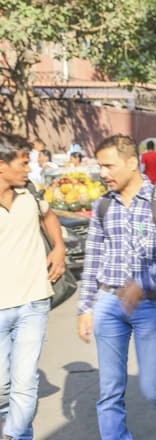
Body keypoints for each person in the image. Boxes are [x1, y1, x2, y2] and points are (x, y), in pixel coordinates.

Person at [76, 134, 156, 440]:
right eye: (100, 166)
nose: (102, 173)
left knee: (153, 387)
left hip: (151, 304)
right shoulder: (103, 205)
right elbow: (93, 257)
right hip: (108, 301)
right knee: (109, 390)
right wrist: (85, 307)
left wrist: (143, 284)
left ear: (131, 163)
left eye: (108, 166)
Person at [0, 133, 65, 440]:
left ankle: (16, 436)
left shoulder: (30, 190)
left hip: (34, 302)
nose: (29, 168)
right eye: (23, 163)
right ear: (2, 166)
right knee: (2, 386)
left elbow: (48, 217)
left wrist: (59, 247)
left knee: (25, 383)